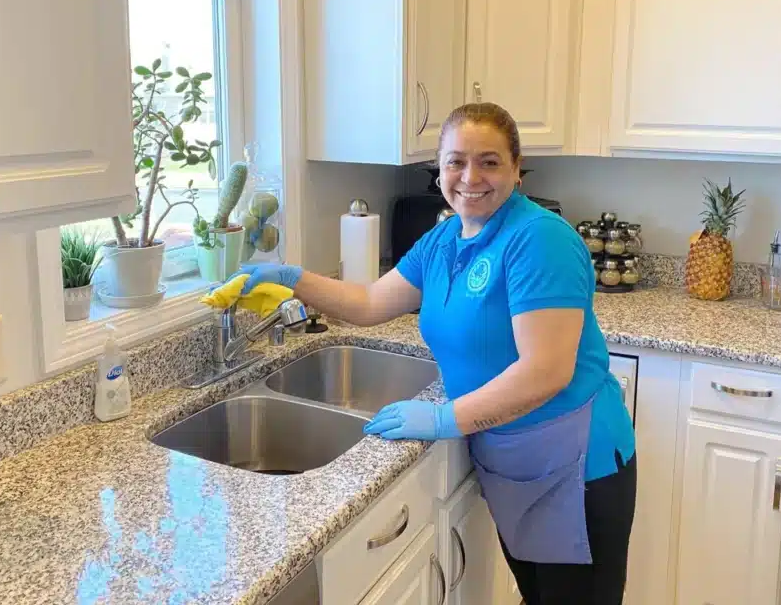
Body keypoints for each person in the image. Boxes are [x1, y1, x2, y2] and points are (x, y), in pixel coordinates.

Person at [235, 103, 637, 605]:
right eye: (455, 162)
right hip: (514, 456)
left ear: (517, 167)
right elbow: (370, 301)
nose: (470, 177)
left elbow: (546, 371)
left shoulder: (539, 239)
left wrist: (446, 418)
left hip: (574, 464)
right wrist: (293, 279)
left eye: (489, 162)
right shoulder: (445, 237)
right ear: (439, 170)